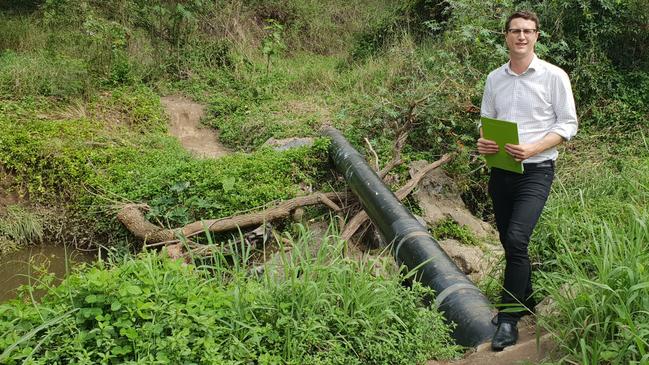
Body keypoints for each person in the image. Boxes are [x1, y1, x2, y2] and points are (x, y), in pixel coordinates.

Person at [477, 10, 578, 351]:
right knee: (508, 238)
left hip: (536, 170)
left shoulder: (554, 76)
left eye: (528, 31)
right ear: (505, 35)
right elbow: (486, 119)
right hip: (501, 169)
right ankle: (526, 299)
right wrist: (483, 140)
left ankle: (508, 320)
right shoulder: (494, 78)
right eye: (515, 31)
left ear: (537, 36)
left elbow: (567, 125)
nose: (521, 36)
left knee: (518, 238)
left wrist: (533, 147)